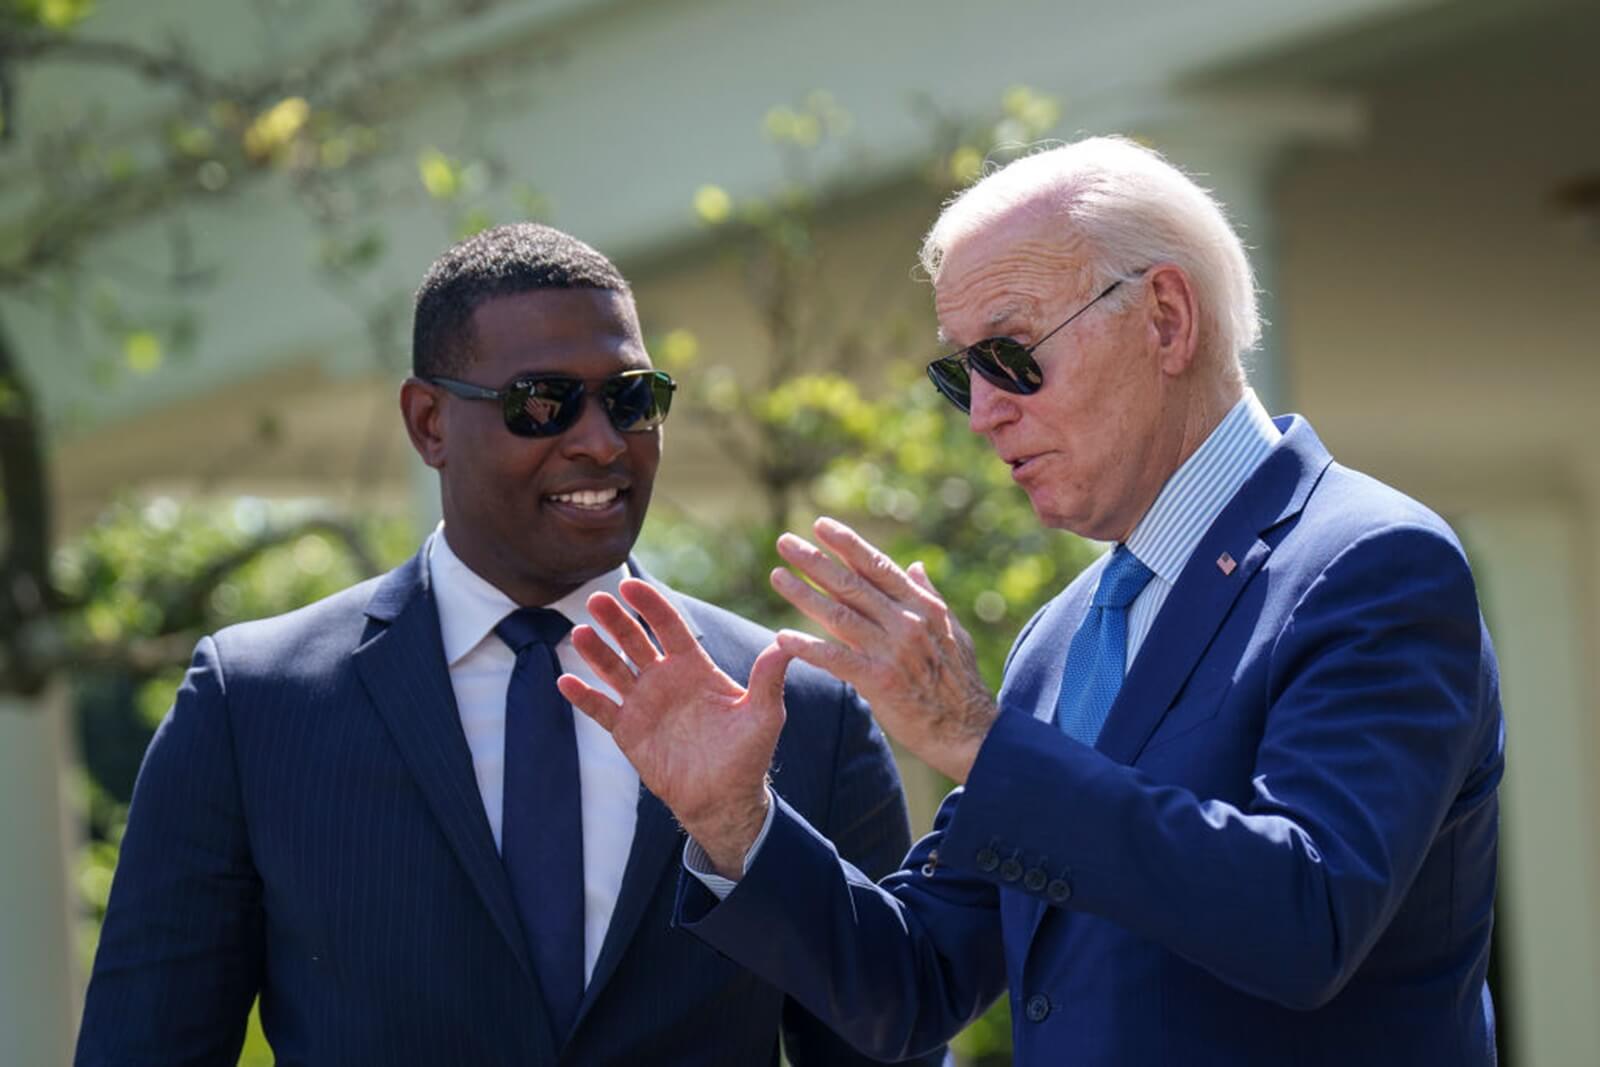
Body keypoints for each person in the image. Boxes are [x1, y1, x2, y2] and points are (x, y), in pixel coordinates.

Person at [560, 137, 1507, 1066]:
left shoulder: (1370, 561)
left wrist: (975, 735)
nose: (981, 412)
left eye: (1010, 356)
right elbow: (917, 982)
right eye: (958, 372)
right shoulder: (1064, 634)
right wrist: (736, 821)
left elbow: (1309, 919)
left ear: (1166, 318)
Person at [77, 223, 940, 1067]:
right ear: (428, 423)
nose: (602, 441)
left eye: (633, 398)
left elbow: (884, 1039)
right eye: (543, 403)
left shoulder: (802, 711)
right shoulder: (252, 704)